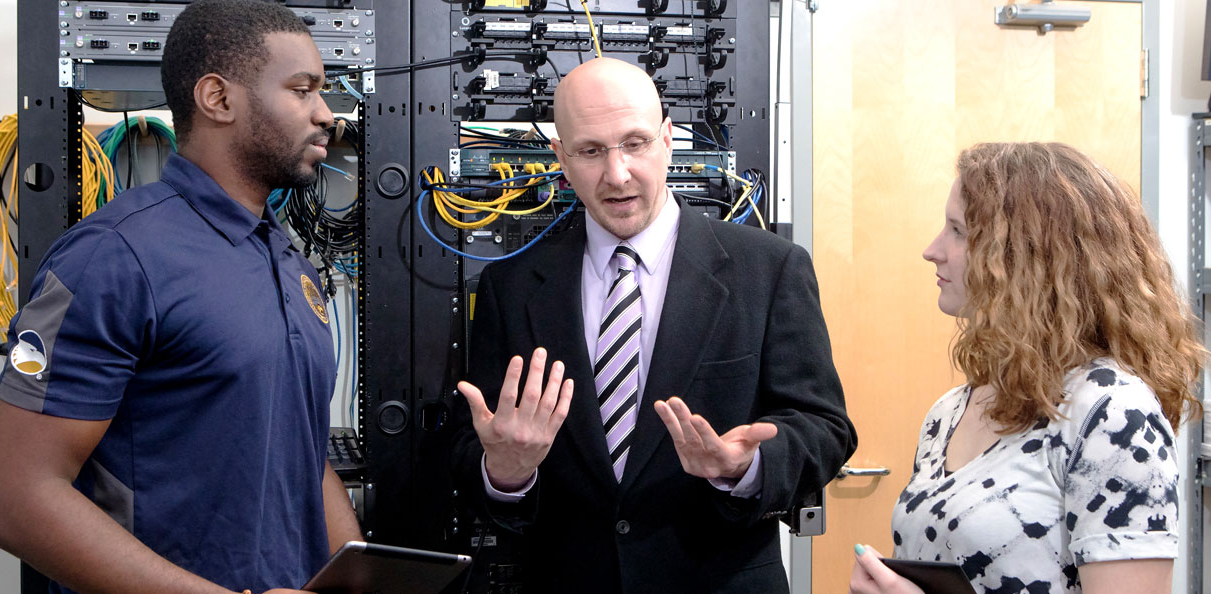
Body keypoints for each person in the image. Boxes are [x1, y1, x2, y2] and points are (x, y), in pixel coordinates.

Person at [0, 2, 360, 593]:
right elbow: (13, 496)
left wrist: (353, 577)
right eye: (302, 90)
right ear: (218, 99)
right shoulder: (111, 256)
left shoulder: (288, 263)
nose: (325, 114)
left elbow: (304, 458)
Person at [450, 57, 857, 593]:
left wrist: (745, 467)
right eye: (591, 151)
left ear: (668, 139)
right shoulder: (512, 286)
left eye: (635, 143)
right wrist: (506, 471)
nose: (617, 174)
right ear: (562, 159)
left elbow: (826, 429)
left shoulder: (770, 268)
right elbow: (469, 445)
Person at [850, 142, 1203, 594]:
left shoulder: (1113, 413)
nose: (932, 250)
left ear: (1029, 258)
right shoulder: (950, 413)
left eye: (958, 231)